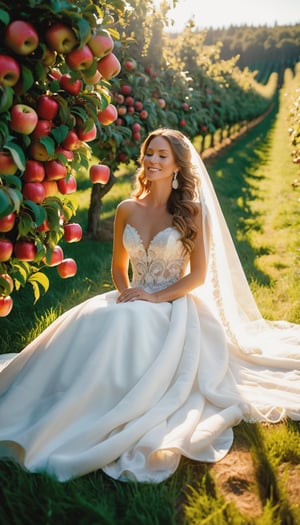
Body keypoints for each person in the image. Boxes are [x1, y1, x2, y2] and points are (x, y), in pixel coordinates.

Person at [0, 128, 299, 484]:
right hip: (133, 296)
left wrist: (155, 298)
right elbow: (117, 267)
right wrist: (127, 293)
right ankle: (62, 397)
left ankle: (102, 401)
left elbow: (199, 276)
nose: (153, 161)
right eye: (149, 154)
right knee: (92, 320)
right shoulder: (127, 208)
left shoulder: (192, 211)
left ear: (176, 166)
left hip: (173, 305)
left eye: (162, 155)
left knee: (125, 325)